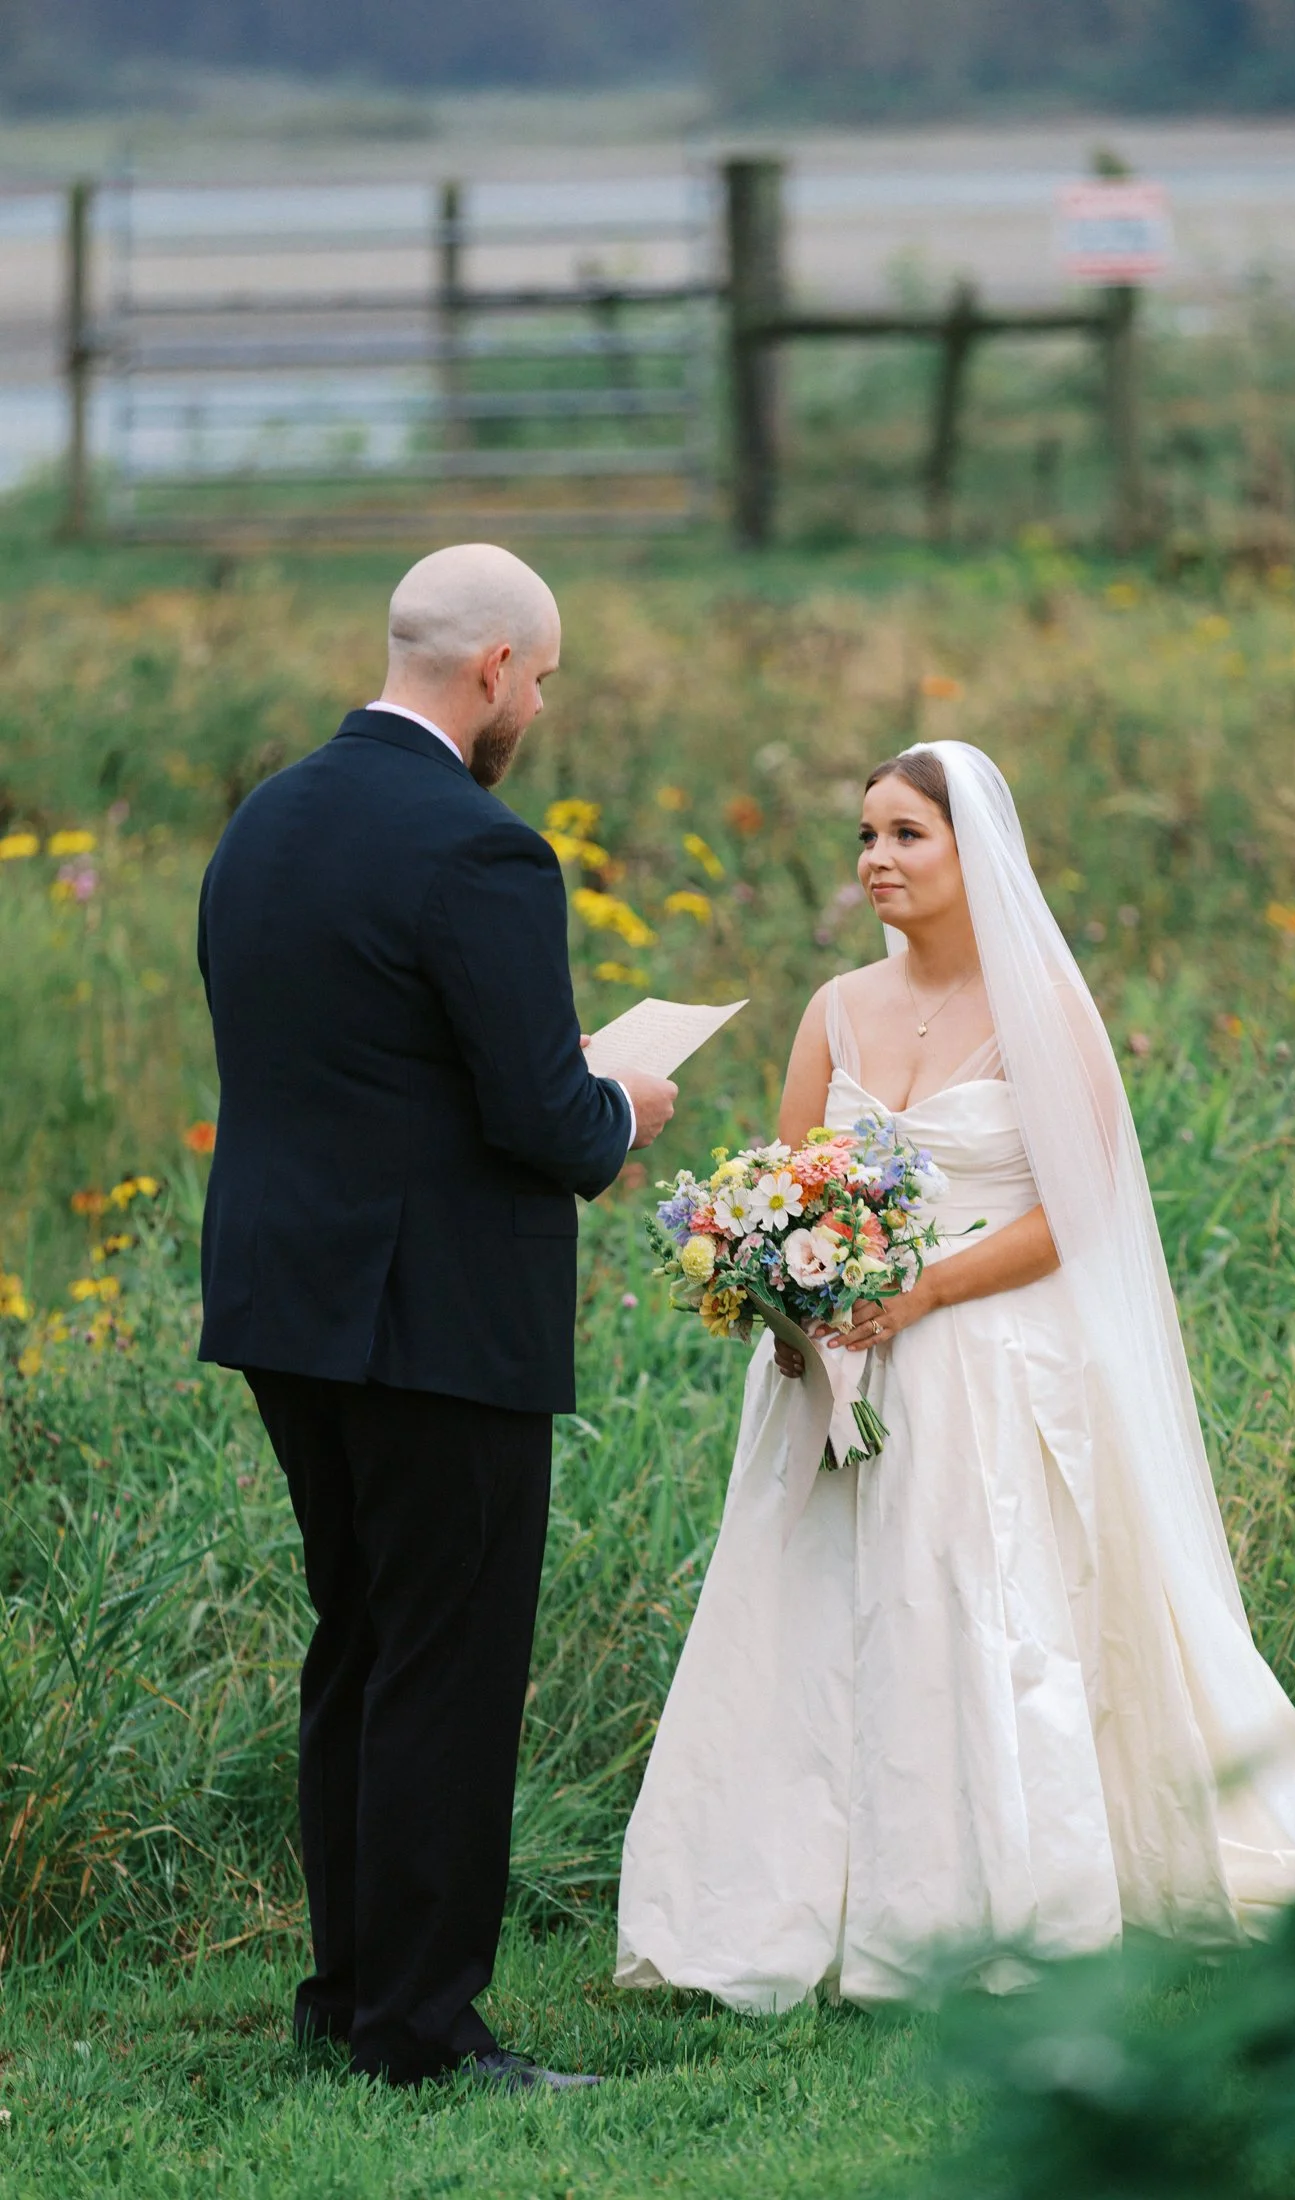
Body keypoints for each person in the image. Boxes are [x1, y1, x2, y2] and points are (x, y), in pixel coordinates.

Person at [616, 739, 1295, 2011]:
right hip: (834, 1370)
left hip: (990, 1355)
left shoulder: (1044, 1011)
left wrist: (927, 1293)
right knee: (811, 1620)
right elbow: (789, 1184)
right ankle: (794, 1890)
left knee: (974, 1610)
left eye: (907, 834)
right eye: (866, 836)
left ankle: (990, 1895)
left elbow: (1081, 1210)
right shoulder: (834, 1007)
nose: (877, 859)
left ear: (976, 854)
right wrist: (775, 1292)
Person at [197, 543, 676, 2088]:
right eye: (542, 680)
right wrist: (622, 1103)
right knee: (447, 1664)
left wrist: (544, 1076)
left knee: (360, 1641)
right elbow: (547, 1123)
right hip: (431, 1313)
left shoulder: (266, 818)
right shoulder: (482, 850)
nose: (538, 708)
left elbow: (361, 1054)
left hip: (284, 1297)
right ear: (494, 669)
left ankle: (352, 1998)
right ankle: (421, 2031)